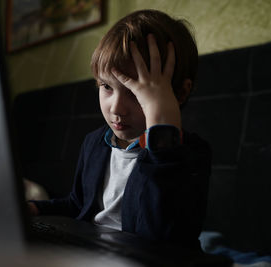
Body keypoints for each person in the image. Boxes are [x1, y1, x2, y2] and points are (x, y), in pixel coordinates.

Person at [28, 9, 211, 250]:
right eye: (106, 86)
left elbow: (162, 233)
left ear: (180, 93)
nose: (116, 108)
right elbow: (77, 204)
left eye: (136, 92)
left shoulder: (189, 154)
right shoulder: (94, 142)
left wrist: (162, 126)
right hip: (91, 250)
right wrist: (35, 207)